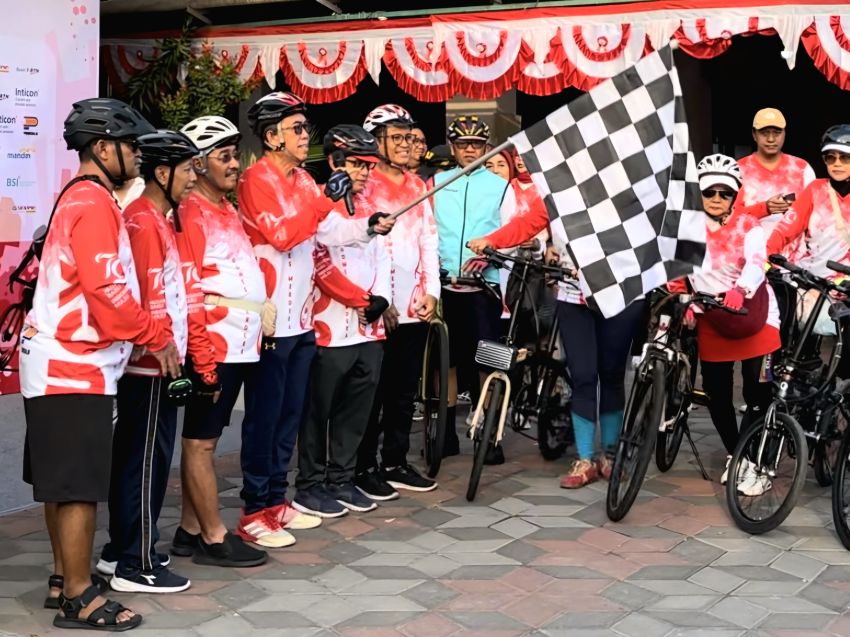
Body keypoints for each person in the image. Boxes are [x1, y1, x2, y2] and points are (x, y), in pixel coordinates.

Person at [20, 97, 181, 631]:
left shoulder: (82, 197)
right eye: (131, 146)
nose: (138, 156)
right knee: (79, 487)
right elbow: (107, 289)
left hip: (62, 361)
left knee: (62, 482)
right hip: (72, 365)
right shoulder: (92, 203)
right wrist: (156, 334)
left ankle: (64, 578)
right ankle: (80, 596)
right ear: (103, 147)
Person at [238, 94, 394, 527]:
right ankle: (255, 508)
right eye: (298, 129)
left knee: (289, 417)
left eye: (307, 128)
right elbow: (284, 235)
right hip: (270, 321)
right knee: (265, 419)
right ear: (272, 137)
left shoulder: (304, 180)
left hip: (301, 319)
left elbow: (329, 232)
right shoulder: (256, 179)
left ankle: (276, 501)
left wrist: (368, 225)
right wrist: (325, 198)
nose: (307, 136)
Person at [467, 161, 643, 489]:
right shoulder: (558, 194)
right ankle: (586, 458)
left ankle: (610, 453)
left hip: (620, 297)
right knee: (584, 375)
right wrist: (492, 239)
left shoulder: (626, 193)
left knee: (612, 375)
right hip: (573, 297)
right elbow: (528, 223)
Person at [97, 130, 199, 594]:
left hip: (160, 356)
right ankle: (135, 563)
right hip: (150, 361)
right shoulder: (142, 220)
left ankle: (121, 551)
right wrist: (163, 346)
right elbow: (144, 291)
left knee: (145, 458)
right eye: (188, 168)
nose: (194, 177)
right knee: (143, 462)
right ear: (162, 173)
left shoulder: (156, 217)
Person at [171, 115, 270, 564]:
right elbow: (189, 286)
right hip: (213, 342)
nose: (235, 165)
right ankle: (213, 535)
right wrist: (202, 355)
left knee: (206, 437)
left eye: (236, 155)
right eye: (224, 157)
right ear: (198, 163)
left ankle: (189, 529)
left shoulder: (226, 207)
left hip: (240, 341)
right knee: (201, 442)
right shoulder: (190, 210)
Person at [294, 125, 392, 516]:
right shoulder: (317, 203)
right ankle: (310, 483)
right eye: (356, 164)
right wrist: (360, 299)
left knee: (357, 410)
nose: (365, 173)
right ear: (334, 161)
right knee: (318, 412)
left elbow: (382, 257)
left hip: (370, 327)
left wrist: (382, 299)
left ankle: (342, 479)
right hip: (328, 327)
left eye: (370, 165)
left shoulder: (370, 206)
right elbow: (318, 261)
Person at [354, 105, 440, 501]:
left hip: (414, 303)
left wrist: (433, 293)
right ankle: (363, 466)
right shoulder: (365, 185)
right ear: (377, 141)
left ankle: (396, 460)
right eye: (398, 137)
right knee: (373, 390)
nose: (407, 145)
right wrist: (380, 298)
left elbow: (428, 240)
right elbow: (371, 247)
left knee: (405, 389)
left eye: (410, 137)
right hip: (378, 307)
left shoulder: (419, 185)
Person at [687, 154, 780, 496]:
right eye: (708, 191)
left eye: (724, 193)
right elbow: (678, 268)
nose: (715, 198)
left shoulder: (748, 225)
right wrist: (683, 298)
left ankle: (756, 460)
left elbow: (758, 261)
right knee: (717, 396)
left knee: (758, 394)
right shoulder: (688, 227)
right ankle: (736, 454)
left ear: (735, 195)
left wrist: (742, 288)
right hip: (712, 318)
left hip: (755, 316)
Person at [432, 115, 516, 458]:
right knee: (445, 362)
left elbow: (512, 233)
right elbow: (426, 230)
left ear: (486, 147)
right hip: (445, 285)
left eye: (477, 144)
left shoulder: (500, 186)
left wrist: (493, 255)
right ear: (453, 147)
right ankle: (445, 433)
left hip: (485, 287)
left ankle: (489, 433)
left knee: (488, 360)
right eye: (464, 144)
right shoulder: (437, 182)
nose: (470, 150)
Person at [767, 125, 850, 376]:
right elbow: (785, 230)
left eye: (845, 157)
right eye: (830, 157)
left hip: (847, 286)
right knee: (791, 350)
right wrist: (766, 258)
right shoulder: (814, 190)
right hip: (813, 284)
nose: (837, 163)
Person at [737, 108, 815, 235]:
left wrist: (795, 210)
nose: (771, 139)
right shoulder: (738, 170)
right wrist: (764, 208)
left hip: (795, 253)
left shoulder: (802, 168)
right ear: (754, 134)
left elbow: (817, 215)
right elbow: (728, 216)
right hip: (749, 252)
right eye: (765, 133)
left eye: (777, 132)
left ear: (785, 133)